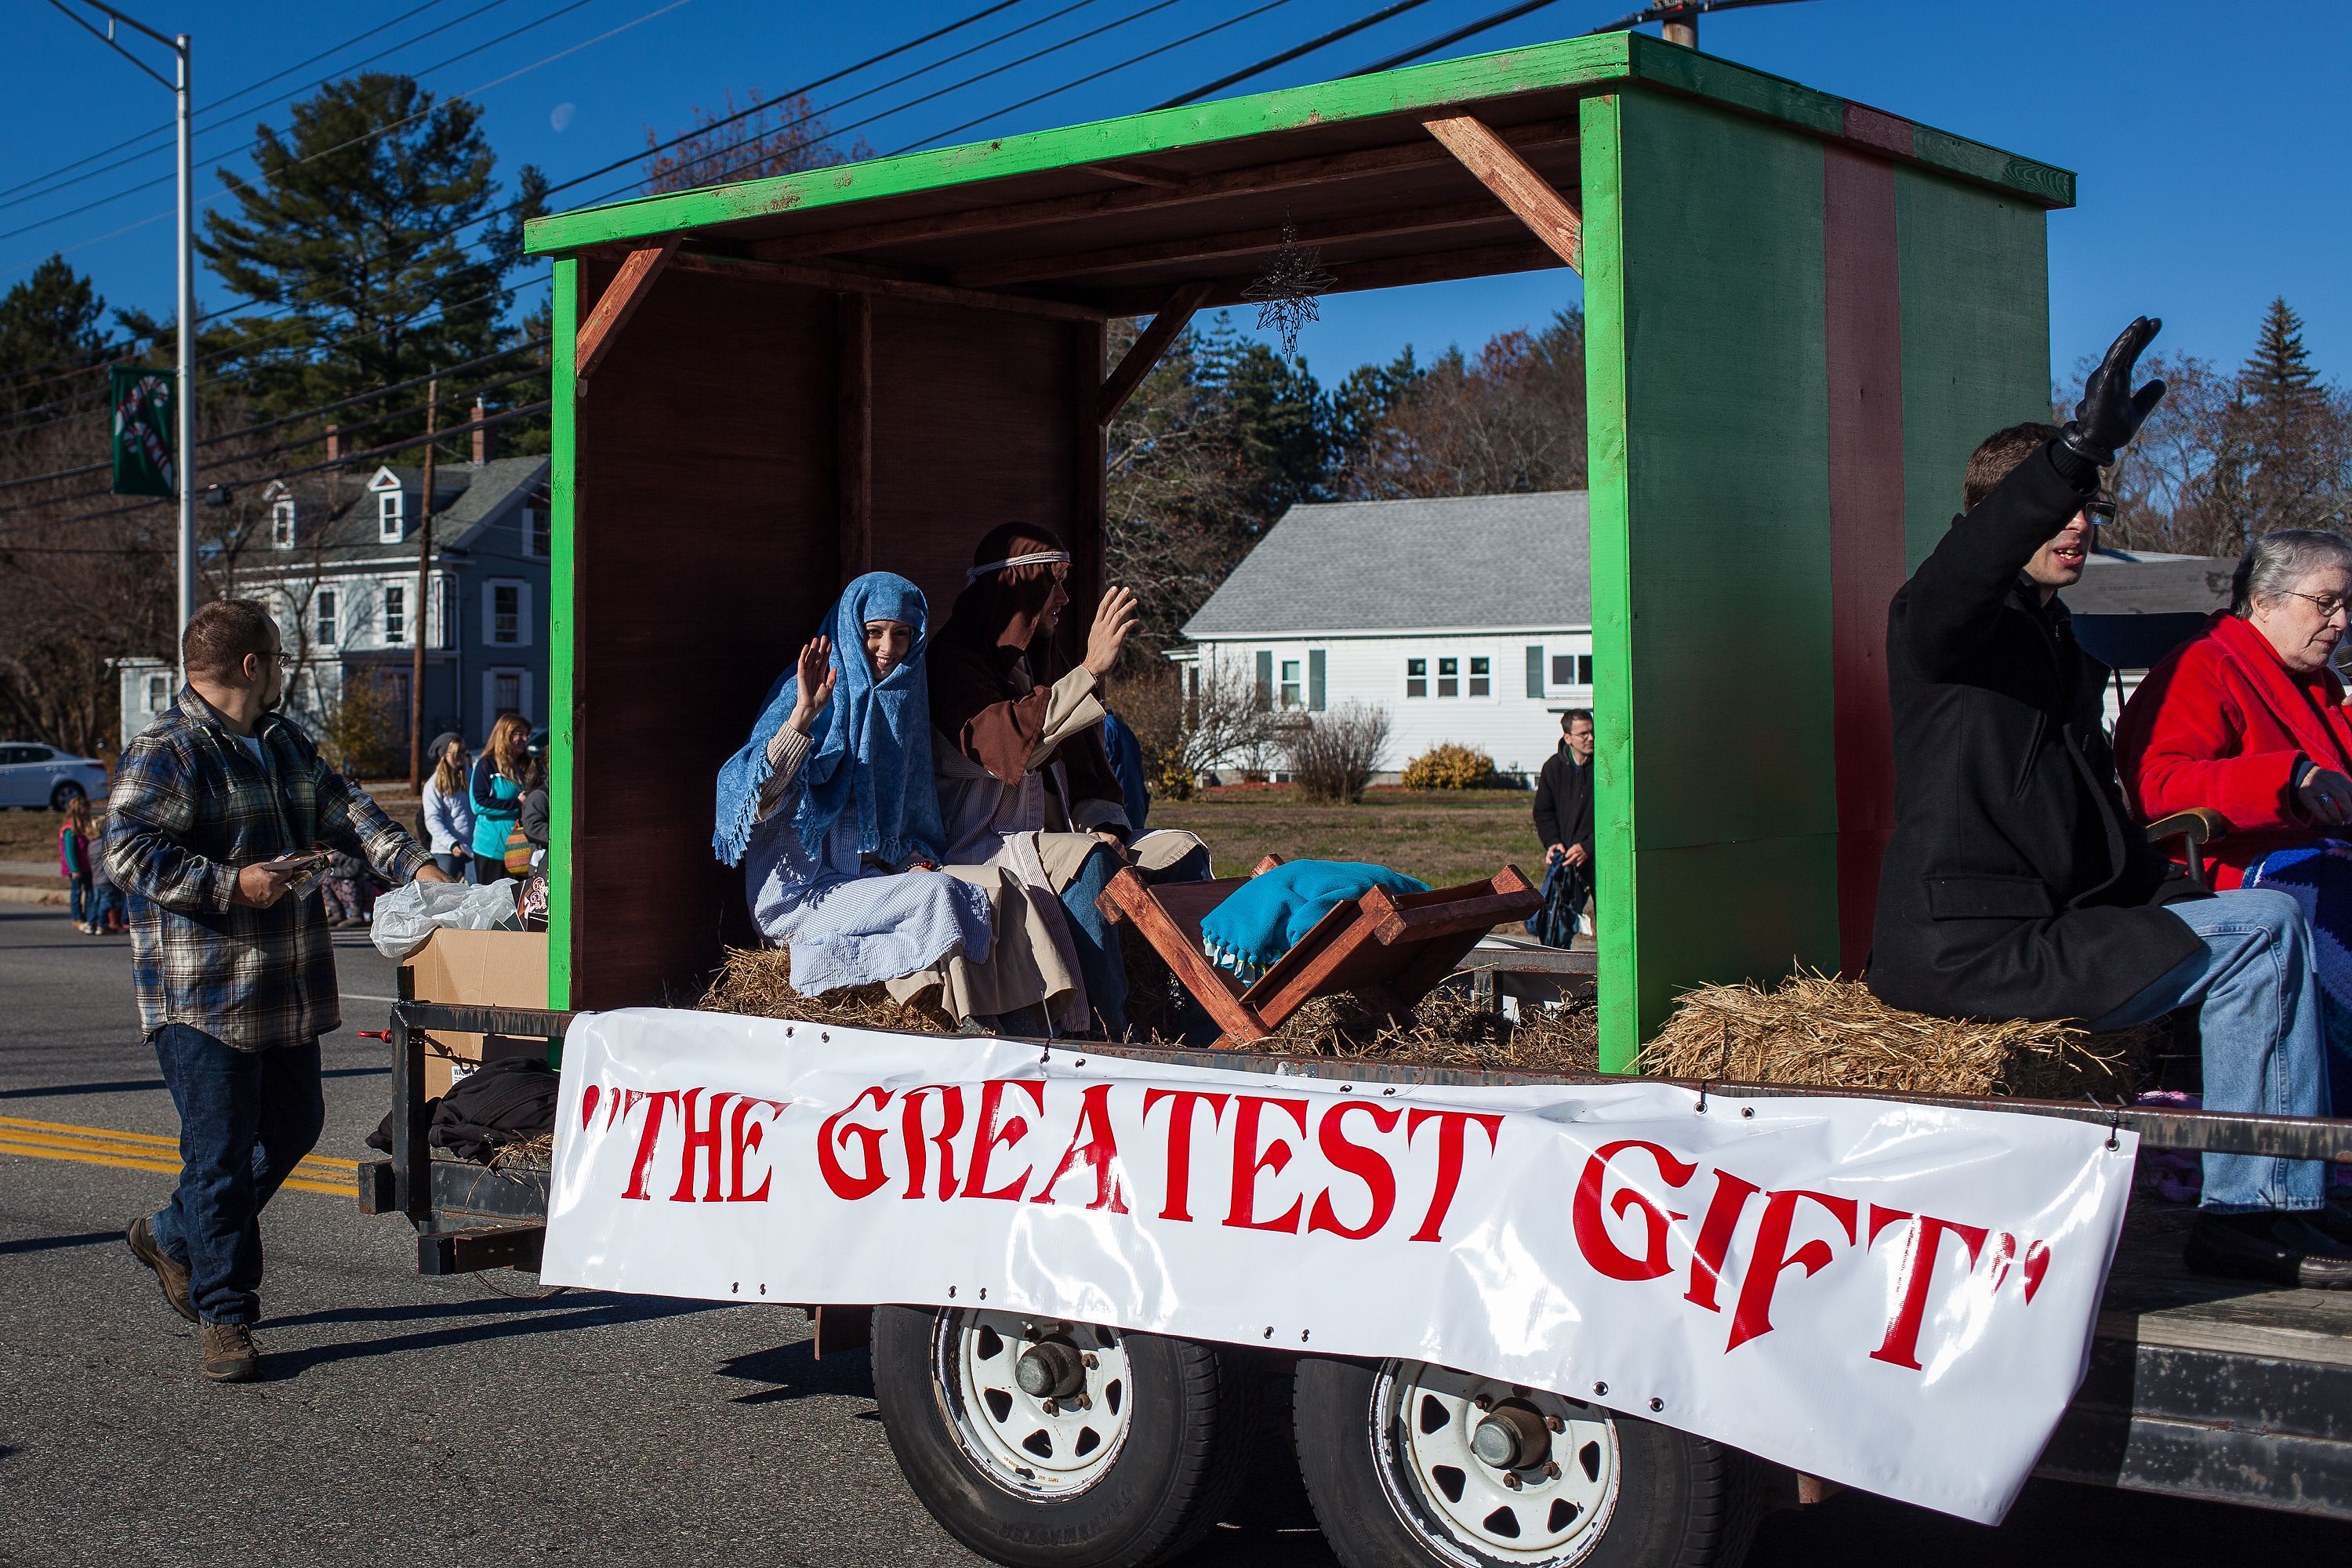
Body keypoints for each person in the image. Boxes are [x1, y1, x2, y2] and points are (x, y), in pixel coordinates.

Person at [1866, 318, 2350, 1289]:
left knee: (2264, 921)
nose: (2081, 523)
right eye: (2058, 508)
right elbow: (1971, 562)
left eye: (2091, 508)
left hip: (2056, 926)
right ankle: (2256, 1208)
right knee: (2262, 921)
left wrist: (2165, 885)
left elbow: (2097, 830)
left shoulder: (2064, 654)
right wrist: (2074, 453)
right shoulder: (1940, 626)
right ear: (2004, 517)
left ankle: (2265, 1206)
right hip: (1971, 948)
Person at [109, 599, 455, 1381]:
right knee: (221, 1155)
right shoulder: (168, 748)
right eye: (276, 654)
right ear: (251, 665)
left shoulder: (282, 740)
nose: (282, 668)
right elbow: (126, 853)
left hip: (283, 988)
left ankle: (171, 1232)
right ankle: (226, 1313)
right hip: (200, 995)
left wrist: (424, 873)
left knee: (295, 1124)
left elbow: (352, 813)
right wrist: (233, 882)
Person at [928, 523, 1208, 1037]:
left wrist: (1111, 829)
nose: (1062, 598)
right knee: (1090, 861)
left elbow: (1088, 774)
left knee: (1181, 849)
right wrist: (1090, 671)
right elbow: (1009, 745)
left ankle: (1198, 1013)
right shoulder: (951, 665)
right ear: (1020, 588)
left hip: (1053, 839)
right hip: (987, 844)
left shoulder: (1042, 658)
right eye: (1051, 583)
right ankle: (1107, 1029)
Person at [2117, 528, 2352, 1110]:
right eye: (2326, 603)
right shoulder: (2203, 668)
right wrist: (2285, 778)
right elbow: (2157, 788)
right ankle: (2335, 1115)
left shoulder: (2319, 685)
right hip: (2228, 870)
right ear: (2265, 602)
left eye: (2348, 605)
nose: (2342, 621)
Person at [716, 572, 997, 1000]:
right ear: (851, 629)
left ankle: (986, 1021)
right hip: (796, 899)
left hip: (854, 881)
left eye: (901, 635)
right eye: (875, 633)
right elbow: (759, 799)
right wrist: (803, 717)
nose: (888, 650)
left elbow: (907, 809)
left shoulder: (899, 705)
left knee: (968, 893)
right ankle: (967, 1023)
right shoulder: (802, 693)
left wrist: (910, 858)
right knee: (935, 900)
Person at [1533, 709, 1596, 935]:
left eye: (1592, 732)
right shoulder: (1553, 768)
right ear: (1568, 738)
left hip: (1598, 858)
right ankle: (1554, 970)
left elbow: (1616, 819)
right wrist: (1553, 842)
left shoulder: (1605, 768)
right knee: (1554, 924)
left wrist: (1589, 847)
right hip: (1568, 859)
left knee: (1609, 923)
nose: (1591, 738)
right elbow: (1543, 812)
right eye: (1583, 734)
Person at [469, 713, 528, 884]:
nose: (525, 739)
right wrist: (516, 804)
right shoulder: (486, 765)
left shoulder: (525, 765)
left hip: (520, 850)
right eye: (519, 733)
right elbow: (478, 804)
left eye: (526, 734)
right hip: (492, 849)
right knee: (493, 905)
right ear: (505, 734)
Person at [419, 731, 475, 881]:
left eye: (464, 751)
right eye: (457, 752)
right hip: (446, 850)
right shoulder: (433, 785)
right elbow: (433, 820)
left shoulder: (471, 777)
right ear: (444, 755)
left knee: (479, 893)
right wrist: (452, 844)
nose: (462, 756)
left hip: (472, 848)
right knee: (444, 895)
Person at [60, 794, 96, 933]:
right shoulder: (69, 830)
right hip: (76, 869)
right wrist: (74, 869)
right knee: (76, 892)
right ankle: (77, 918)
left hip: (87, 867)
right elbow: (69, 852)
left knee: (90, 892)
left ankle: (90, 917)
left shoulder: (84, 829)